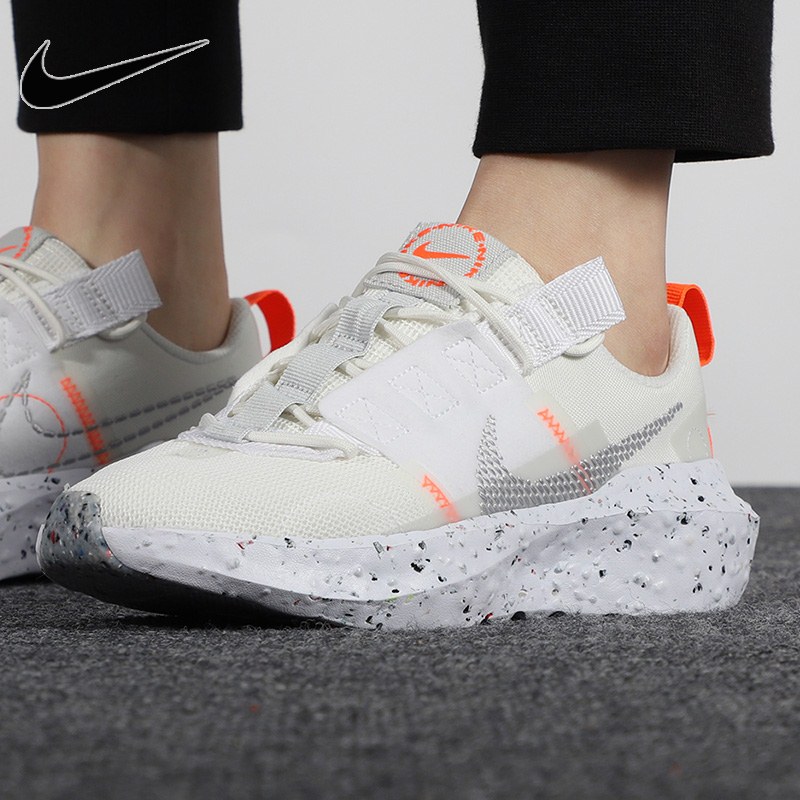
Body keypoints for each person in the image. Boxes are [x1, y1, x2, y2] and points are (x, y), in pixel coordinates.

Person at [3, 1, 773, 627]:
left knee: (575, 201)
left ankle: (576, 270)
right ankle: (127, 270)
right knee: (115, 206)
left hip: (578, 328)